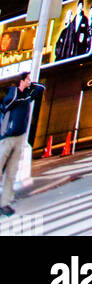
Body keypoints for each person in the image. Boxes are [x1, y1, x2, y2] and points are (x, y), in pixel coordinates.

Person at [0, 72, 44, 215]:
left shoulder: (27, 95)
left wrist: (30, 85)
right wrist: (17, 90)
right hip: (7, 138)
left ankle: (4, 203)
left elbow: (41, 88)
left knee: (12, 173)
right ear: (21, 81)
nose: (30, 82)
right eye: (28, 79)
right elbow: (9, 103)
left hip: (20, 138)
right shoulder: (12, 94)